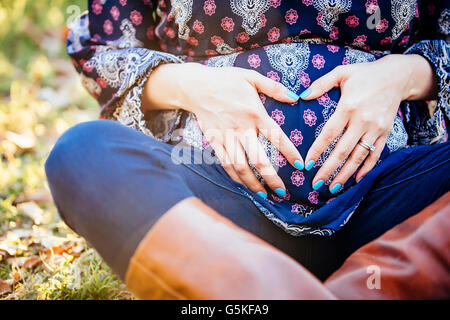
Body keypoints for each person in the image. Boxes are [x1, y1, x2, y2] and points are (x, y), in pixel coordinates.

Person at [46, 0, 450, 281]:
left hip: (391, 206)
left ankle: (255, 291)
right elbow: (104, 48)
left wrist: (405, 75)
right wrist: (192, 85)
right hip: (214, 206)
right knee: (81, 154)